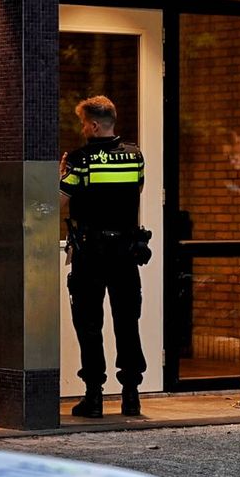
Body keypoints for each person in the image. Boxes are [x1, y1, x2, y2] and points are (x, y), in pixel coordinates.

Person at [59, 96, 150, 418]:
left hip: (91, 252)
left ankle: (94, 395)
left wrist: (61, 175)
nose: (83, 128)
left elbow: (60, 199)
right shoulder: (135, 156)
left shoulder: (81, 159)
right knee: (127, 322)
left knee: (88, 324)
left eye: (84, 123)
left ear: (94, 125)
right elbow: (134, 192)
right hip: (125, 251)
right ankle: (131, 394)